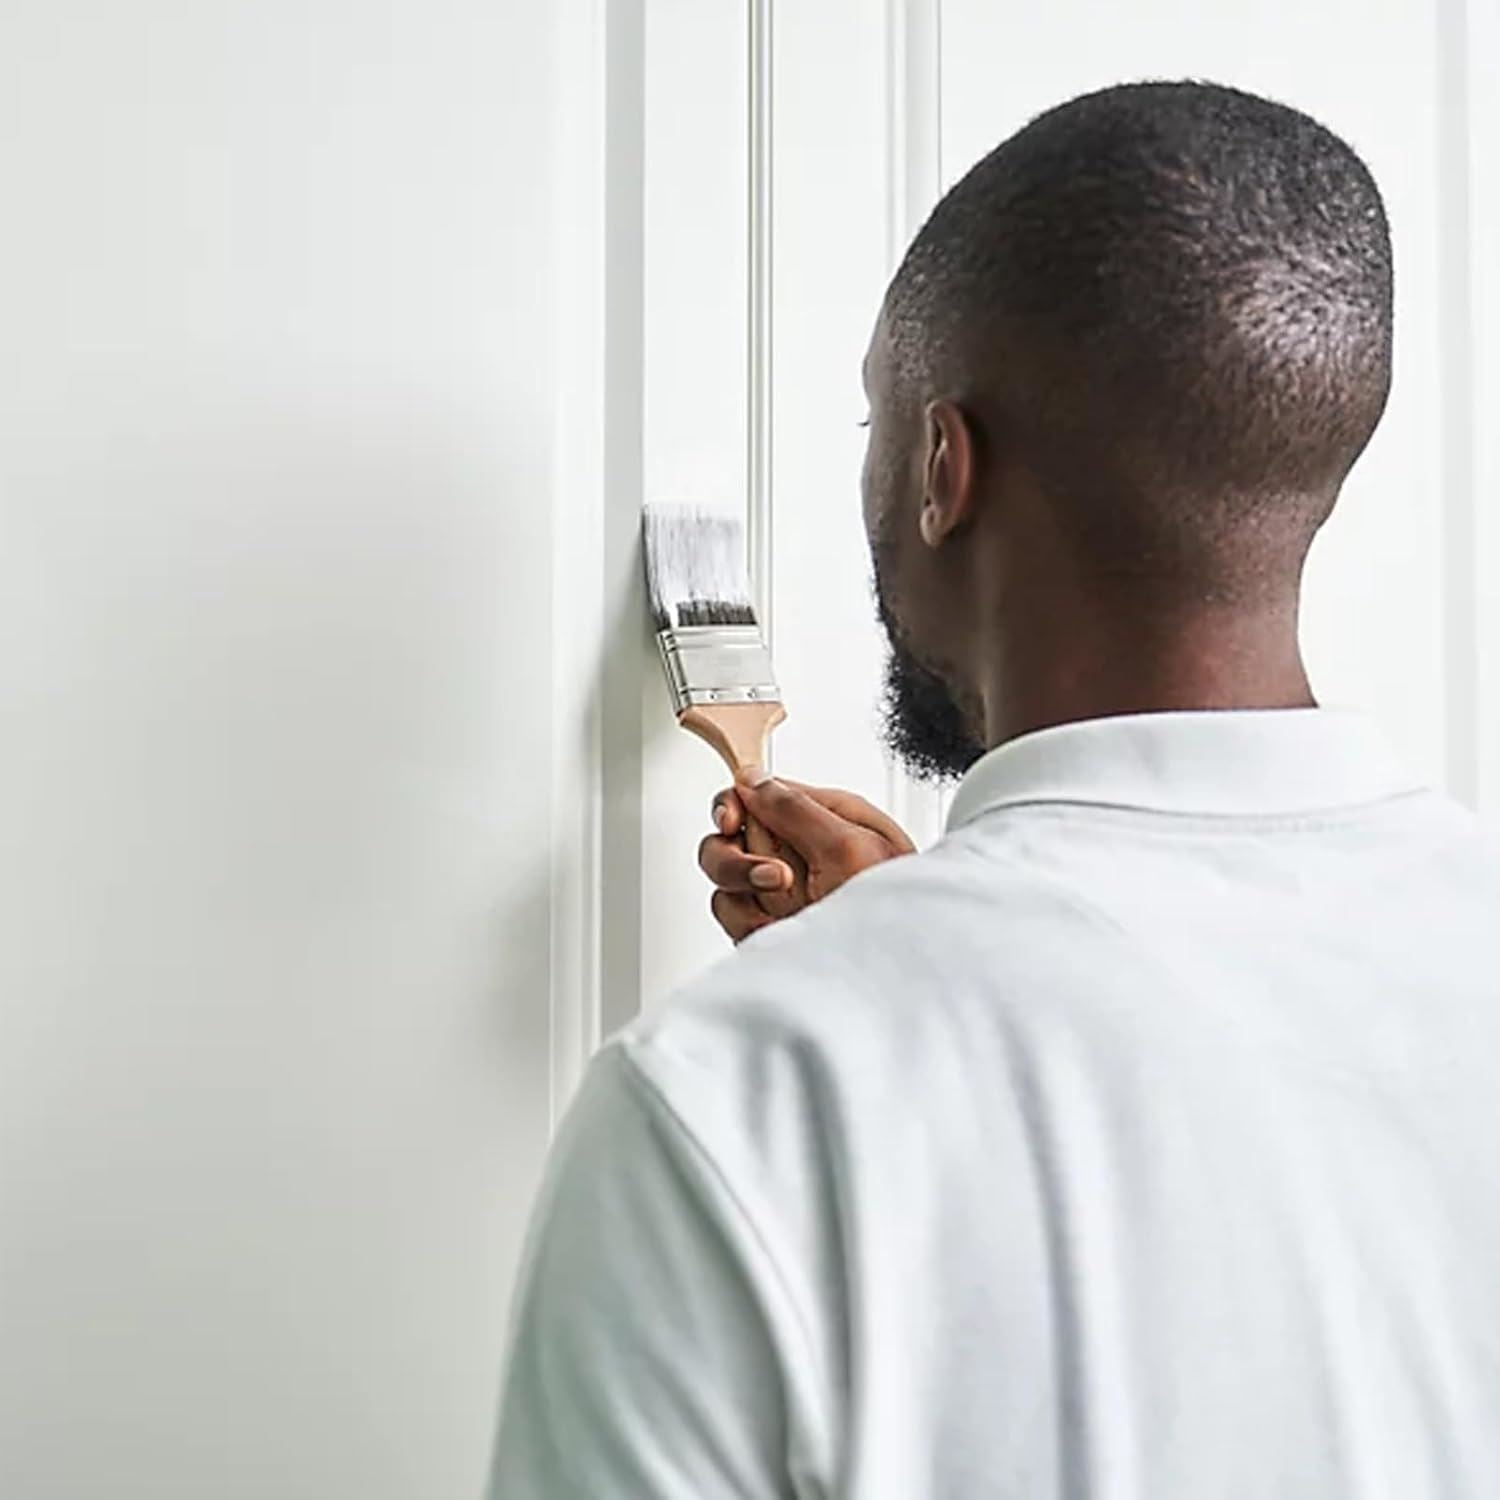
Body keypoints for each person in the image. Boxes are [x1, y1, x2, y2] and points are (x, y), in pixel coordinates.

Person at [490, 81, 1500, 1498]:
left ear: (941, 468)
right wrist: (915, 963)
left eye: (873, 422)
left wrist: (892, 999)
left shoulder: (733, 1104)